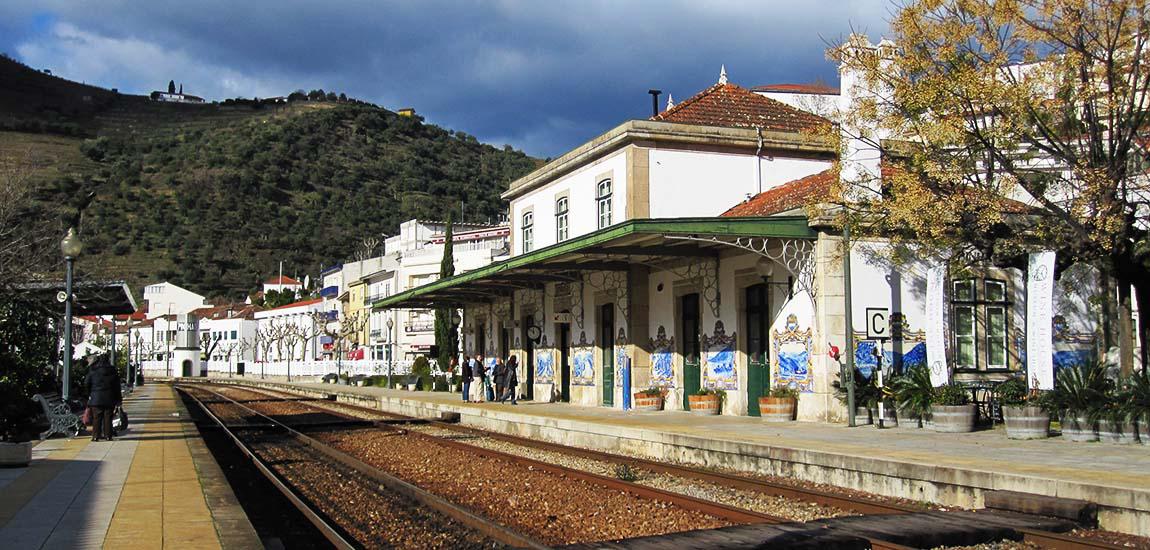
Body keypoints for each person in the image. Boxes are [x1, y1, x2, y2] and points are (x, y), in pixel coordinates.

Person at [85, 354, 122, 441]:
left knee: (96, 417)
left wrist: (90, 393)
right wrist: (119, 399)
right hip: (110, 397)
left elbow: (86, 383)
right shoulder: (113, 370)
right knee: (108, 417)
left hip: (96, 397)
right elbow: (117, 386)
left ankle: (95, 436)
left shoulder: (93, 370)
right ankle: (108, 436)